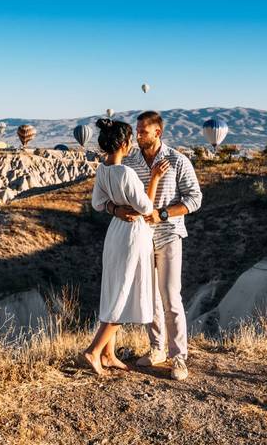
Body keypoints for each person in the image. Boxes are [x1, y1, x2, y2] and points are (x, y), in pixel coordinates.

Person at [112, 111, 202, 381]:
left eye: (142, 131)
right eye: (137, 131)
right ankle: (157, 348)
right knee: (149, 297)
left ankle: (179, 357)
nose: (137, 135)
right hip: (140, 237)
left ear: (157, 133)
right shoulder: (131, 160)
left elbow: (195, 199)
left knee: (171, 297)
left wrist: (163, 213)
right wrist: (117, 209)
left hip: (169, 235)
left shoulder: (177, 160)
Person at [84, 118, 169, 376]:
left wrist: (116, 209)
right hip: (133, 235)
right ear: (124, 143)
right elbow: (146, 208)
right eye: (130, 139)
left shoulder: (102, 170)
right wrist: (154, 177)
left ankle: (109, 354)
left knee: (112, 290)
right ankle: (93, 351)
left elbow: (98, 204)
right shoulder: (126, 173)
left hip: (114, 233)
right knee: (124, 293)